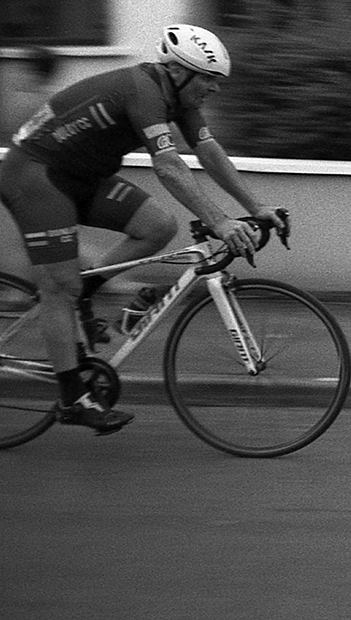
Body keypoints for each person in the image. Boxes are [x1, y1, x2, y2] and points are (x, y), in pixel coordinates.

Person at [0, 24, 286, 434]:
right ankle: (73, 398)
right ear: (178, 71)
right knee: (58, 286)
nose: (214, 89)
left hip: (82, 176)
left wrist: (256, 207)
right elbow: (169, 165)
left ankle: (82, 302)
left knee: (157, 226)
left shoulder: (179, 97)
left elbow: (208, 151)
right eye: (208, 79)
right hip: (35, 177)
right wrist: (220, 221)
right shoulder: (142, 90)